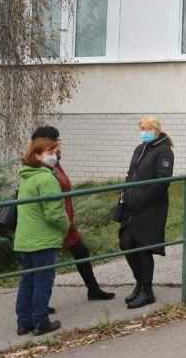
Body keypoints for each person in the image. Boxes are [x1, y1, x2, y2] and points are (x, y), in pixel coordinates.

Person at [30, 126, 113, 301]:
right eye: (56, 141)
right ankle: (38, 305)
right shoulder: (41, 166)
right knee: (44, 264)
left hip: (65, 220)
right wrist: (61, 220)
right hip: (53, 221)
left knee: (80, 252)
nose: (59, 144)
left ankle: (93, 290)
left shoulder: (54, 162)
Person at [14, 137, 69, 336]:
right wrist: (66, 226)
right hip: (43, 239)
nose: (54, 157)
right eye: (49, 153)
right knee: (42, 281)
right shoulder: (47, 179)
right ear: (37, 155)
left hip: (24, 239)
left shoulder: (26, 176)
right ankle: (41, 321)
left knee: (27, 280)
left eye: (55, 152)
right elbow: (54, 214)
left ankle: (24, 322)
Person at [119, 117, 174, 309]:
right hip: (130, 207)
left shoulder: (164, 151)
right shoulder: (139, 148)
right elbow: (130, 174)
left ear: (156, 130)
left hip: (150, 208)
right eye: (141, 128)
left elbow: (163, 180)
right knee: (126, 243)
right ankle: (140, 283)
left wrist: (142, 198)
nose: (143, 131)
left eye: (147, 128)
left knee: (142, 249)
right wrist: (124, 195)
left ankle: (147, 291)